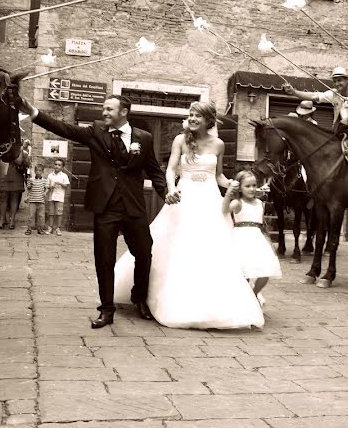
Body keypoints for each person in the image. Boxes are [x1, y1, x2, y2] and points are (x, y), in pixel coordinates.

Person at [113, 101, 265, 330]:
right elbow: (171, 169)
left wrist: (233, 184)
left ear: (208, 120)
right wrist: (171, 189)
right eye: (191, 115)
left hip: (210, 202)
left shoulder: (219, 144)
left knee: (209, 252)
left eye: (198, 116)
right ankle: (162, 297)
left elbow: (219, 176)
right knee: (176, 247)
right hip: (184, 199)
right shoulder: (180, 140)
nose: (192, 119)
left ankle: (210, 305)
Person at [30, 95, 167, 328]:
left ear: (123, 112)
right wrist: (34, 114)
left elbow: (154, 171)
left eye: (109, 109)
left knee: (144, 253)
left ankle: (139, 297)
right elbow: (64, 129)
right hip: (106, 207)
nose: (103, 112)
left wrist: (166, 193)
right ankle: (106, 309)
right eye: (103, 108)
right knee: (104, 259)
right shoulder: (95, 131)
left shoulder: (144, 138)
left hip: (133, 206)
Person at [222, 170, 281, 304]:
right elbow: (224, 210)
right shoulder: (237, 203)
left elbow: (261, 224)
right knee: (244, 272)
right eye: (247, 186)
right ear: (240, 188)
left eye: (254, 185)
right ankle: (243, 300)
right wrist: (228, 194)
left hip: (257, 238)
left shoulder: (260, 203)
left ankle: (253, 294)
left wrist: (268, 241)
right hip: (241, 239)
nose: (252, 189)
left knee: (265, 270)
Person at [283, 66, 348, 130]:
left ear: (347, 80)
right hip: (340, 131)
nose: (337, 84)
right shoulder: (334, 93)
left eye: (339, 80)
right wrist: (294, 92)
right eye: (334, 81)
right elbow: (314, 96)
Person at [0, 153, 27, 230]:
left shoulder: (19, 149)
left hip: (15, 174)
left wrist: (9, 155)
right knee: (3, 197)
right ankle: (2, 219)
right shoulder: (4, 147)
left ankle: (12, 220)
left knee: (14, 198)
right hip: (5, 174)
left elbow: (19, 161)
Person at [46, 158, 71, 235]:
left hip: (59, 197)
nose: (57, 166)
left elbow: (66, 186)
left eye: (59, 165)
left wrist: (60, 183)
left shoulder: (64, 176)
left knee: (59, 213)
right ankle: (50, 227)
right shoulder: (50, 175)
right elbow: (47, 186)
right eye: (56, 164)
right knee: (51, 213)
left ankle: (58, 228)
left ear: (62, 167)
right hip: (51, 196)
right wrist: (51, 187)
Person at [24, 164, 47, 235]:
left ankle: (40, 229)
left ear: (42, 171)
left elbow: (46, 188)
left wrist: (45, 193)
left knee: (41, 216)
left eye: (40, 171)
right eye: (36, 170)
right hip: (32, 200)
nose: (38, 172)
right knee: (31, 215)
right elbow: (28, 189)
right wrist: (27, 197)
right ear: (34, 171)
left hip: (41, 201)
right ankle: (29, 229)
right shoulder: (31, 180)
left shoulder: (44, 180)